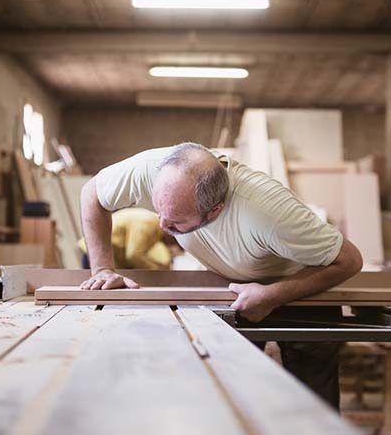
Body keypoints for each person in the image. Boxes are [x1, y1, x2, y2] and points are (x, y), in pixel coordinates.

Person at [78, 142, 363, 407]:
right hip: (236, 293)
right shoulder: (154, 169)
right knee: (226, 398)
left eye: (176, 221)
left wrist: (274, 294)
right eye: (158, 210)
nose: (162, 226)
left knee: (311, 407)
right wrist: (103, 268)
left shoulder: (269, 212)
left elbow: (349, 261)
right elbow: (92, 193)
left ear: (216, 211)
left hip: (303, 291)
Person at [78, 207, 172, 270]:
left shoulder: (154, 227)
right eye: (176, 243)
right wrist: (158, 271)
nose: (173, 246)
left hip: (102, 254)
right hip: (95, 254)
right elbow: (133, 256)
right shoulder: (148, 223)